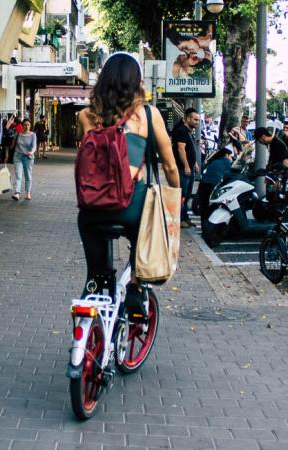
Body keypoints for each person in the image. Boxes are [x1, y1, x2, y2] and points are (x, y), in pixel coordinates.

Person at [76, 52, 181, 319]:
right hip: (131, 206)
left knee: (96, 272)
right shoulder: (148, 114)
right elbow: (169, 165)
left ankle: (94, 288)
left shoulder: (86, 116)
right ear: (137, 82)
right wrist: (176, 197)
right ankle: (136, 285)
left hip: (92, 207)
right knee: (145, 230)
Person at [169, 108, 200, 226]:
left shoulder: (187, 131)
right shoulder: (182, 130)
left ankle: (185, 218)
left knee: (186, 195)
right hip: (182, 169)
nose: (197, 122)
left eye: (198, 120)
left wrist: (194, 164)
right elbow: (181, 149)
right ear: (187, 118)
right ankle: (180, 219)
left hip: (189, 168)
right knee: (182, 195)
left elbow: (189, 149)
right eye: (195, 119)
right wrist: (187, 166)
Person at [196, 147, 234, 219]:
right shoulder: (227, 162)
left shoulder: (213, 161)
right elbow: (230, 174)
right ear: (226, 155)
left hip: (203, 184)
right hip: (214, 185)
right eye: (230, 156)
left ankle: (204, 223)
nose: (230, 158)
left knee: (204, 207)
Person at [12, 120, 37, 201]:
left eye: (28, 125)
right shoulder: (18, 134)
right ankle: (17, 193)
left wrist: (31, 152)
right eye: (25, 125)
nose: (27, 126)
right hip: (18, 156)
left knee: (28, 176)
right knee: (18, 175)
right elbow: (13, 144)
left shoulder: (33, 135)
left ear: (30, 126)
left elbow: (34, 146)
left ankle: (28, 193)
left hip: (28, 157)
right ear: (22, 125)